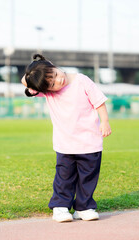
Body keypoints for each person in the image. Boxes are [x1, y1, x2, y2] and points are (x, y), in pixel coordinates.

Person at [21, 54, 112, 222]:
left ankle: (84, 208)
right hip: (65, 144)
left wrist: (105, 122)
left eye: (55, 74)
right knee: (64, 177)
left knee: (88, 178)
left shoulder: (82, 80)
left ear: (54, 66)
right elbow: (25, 82)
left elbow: (99, 102)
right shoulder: (47, 91)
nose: (58, 81)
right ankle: (61, 207)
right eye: (52, 84)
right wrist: (36, 73)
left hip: (89, 141)